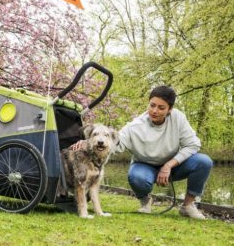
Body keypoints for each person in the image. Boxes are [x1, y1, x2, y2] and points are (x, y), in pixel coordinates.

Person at [74, 85, 213, 219]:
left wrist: (169, 165)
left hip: (174, 166)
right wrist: (87, 143)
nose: (154, 111)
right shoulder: (135, 126)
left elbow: (193, 144)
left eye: (161, 107)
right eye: (152, 105)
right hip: (145, 167)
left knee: (204, 162)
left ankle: (188, 205)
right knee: (137, 177)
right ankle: (146, 201)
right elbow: (114, 143)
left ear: (170, 109)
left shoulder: (178, 118)